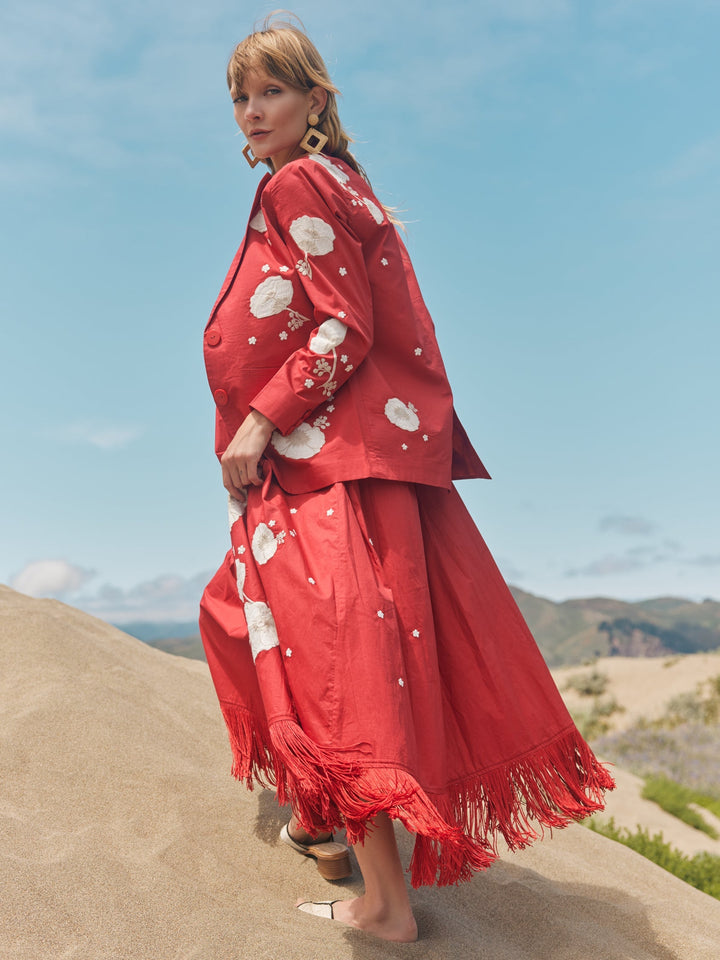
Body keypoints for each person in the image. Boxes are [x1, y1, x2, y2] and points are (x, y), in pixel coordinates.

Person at [199, 14, 614, 944]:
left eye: (271, 90)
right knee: (246, 619)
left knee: (326, 660)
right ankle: (320, 815)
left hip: (329, 468)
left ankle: (383, 904)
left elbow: (346, 326)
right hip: (344, 463)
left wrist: (262, 420)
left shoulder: (302, 182)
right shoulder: (336, 182)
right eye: (240, 95)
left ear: (315, 101)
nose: (252, 110)